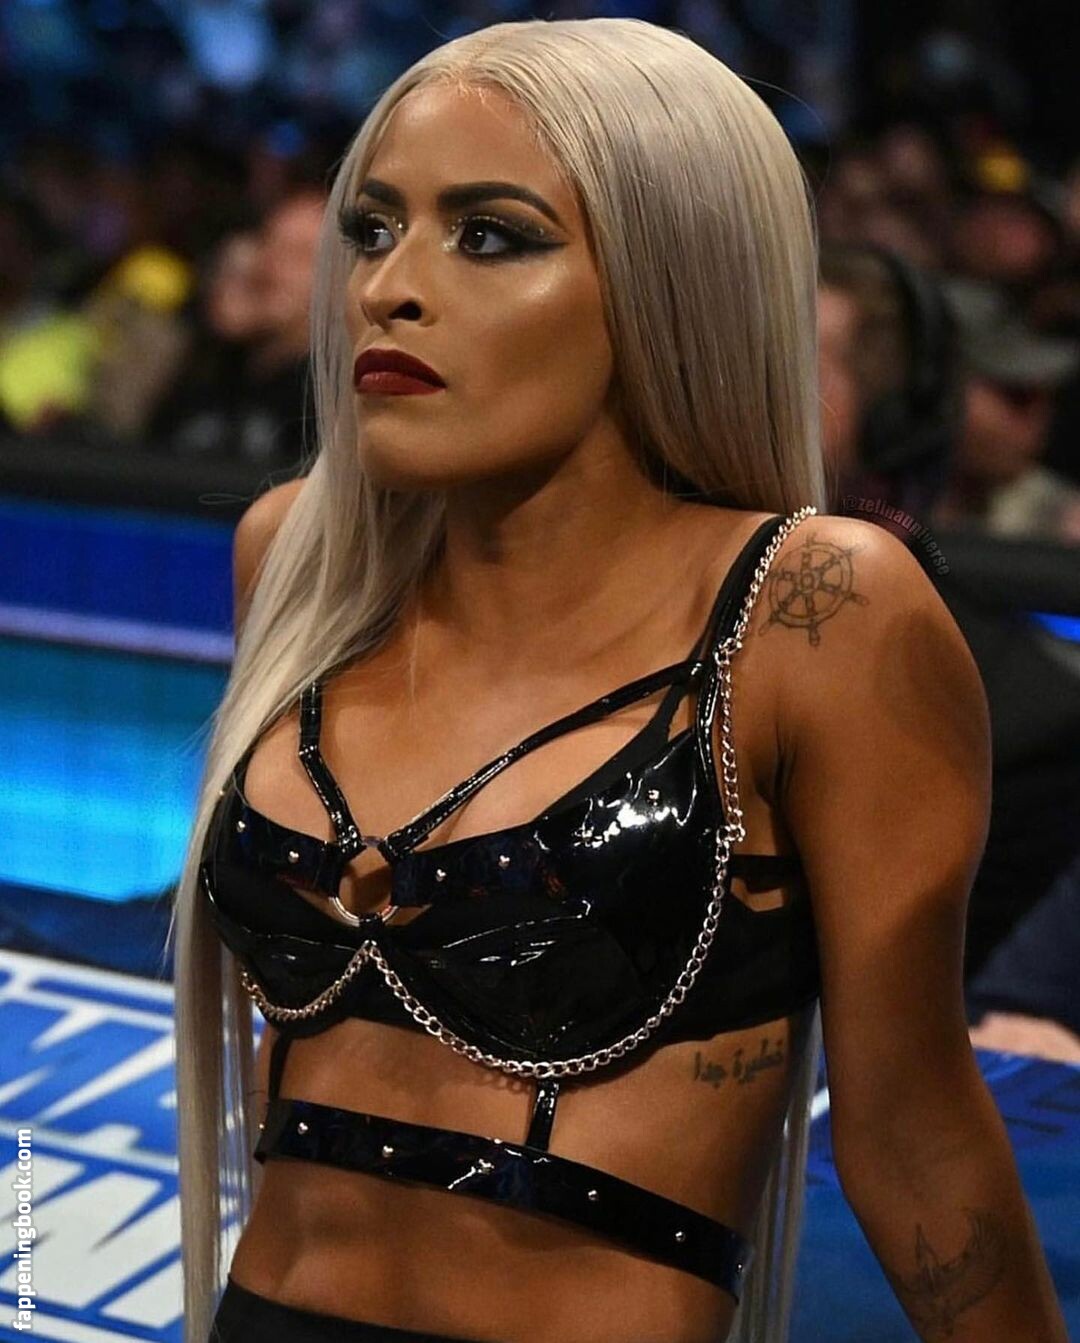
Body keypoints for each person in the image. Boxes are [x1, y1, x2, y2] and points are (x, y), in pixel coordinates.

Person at [167, 18, 1068, 1343]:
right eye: (374, 228)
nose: (388, 288)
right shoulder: (301, 555)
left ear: (674, 277)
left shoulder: (820, 611)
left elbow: (913, 1129)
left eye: (491, 235)